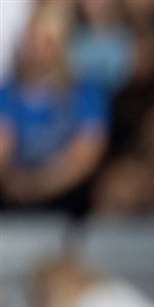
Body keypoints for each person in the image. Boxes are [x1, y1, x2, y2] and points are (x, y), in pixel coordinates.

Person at [0, 6, 110, 216]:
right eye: (32, 40)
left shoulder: (87, 92)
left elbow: (86, 153)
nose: (37, 50)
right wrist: (15, 182)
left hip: (69, 198)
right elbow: (3, 144)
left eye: (47, 41)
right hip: (12, 194)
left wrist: (39, 185)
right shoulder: (6, 93)